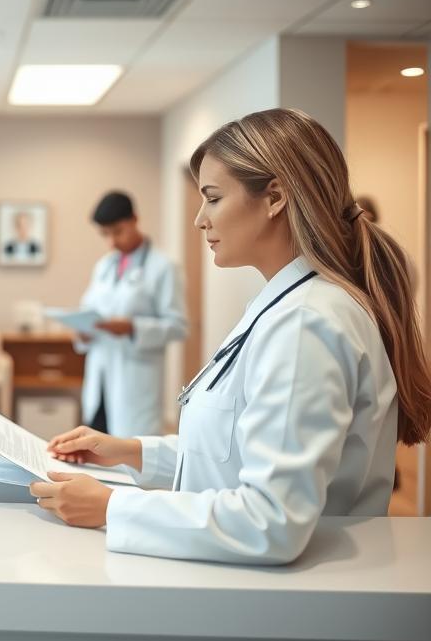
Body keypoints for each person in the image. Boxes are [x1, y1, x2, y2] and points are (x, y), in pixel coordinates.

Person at [31, 108, 431, 564]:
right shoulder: (286, 305)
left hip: (289, 605)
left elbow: (271, 521)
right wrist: (132, 451)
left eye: (214, 198)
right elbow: (232, 452)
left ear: (275, 197)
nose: (200, 218)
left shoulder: (306, 323)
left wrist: (111, 507)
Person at [76, 191, 187, 436]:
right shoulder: (104, 266)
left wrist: (132, 328)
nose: (112, 241)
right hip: (100, 377)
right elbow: (88, 310)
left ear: (134, 219)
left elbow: (178, 326)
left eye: (117, 231)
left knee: (130, 460)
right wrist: (83, 331)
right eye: (105, 234)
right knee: (96, 448)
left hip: (135, 383)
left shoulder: (163, 267)